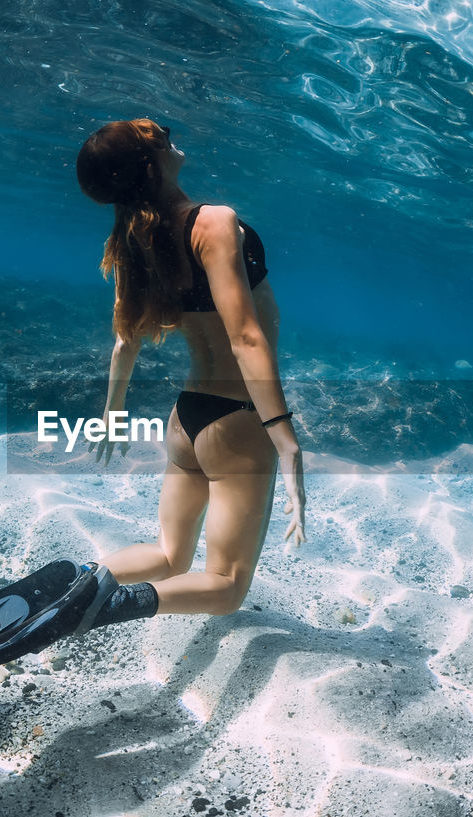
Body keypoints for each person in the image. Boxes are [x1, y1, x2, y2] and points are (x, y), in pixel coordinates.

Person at [74, 118, 306, 629]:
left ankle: (75, 590)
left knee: (168, 554)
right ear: (151, 163)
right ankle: (104, 608)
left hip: (187, 419)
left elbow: (124, 340)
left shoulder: (134, 236)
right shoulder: (213, 222)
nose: (175, 142)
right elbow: (246, 338)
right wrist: (285, 439)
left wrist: (112, 414)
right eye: (163, 139)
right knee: (226, 587)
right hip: (237, 422)